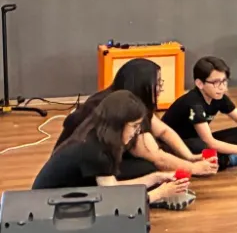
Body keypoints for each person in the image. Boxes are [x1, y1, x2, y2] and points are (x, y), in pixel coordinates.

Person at [55, 58, 217, 182]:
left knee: (194, 146)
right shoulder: (120, 107)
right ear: (142, 85)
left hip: (109, 154)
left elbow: (163, 131)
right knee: (148, 168)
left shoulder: (130, 100)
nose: (160, 88)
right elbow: (157, 157)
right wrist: (194, 168)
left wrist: (189, 157)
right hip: (86, 168)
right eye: (157, 83)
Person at [34, 90, 193, 210]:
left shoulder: (97, 136)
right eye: (134, 126)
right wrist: (159, 193)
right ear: (119, 124)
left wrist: (156, 178)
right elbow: (113, 200)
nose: (137, 132)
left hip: (56, 198)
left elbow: (112, 186)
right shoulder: (96, 151)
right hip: (51, 206)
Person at [162, 56, 237, 170]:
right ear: (200, 83)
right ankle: (229, 160)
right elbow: (209, 142)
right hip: (175, 146)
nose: (222, 88)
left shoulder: (218, 96)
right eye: (216, 82)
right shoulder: (194, 103)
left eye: (224, 81)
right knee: (204, 149)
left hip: (199, 139)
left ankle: (233, 156)